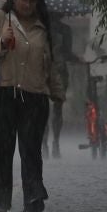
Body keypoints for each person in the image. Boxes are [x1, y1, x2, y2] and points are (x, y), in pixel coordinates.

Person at [0, 0, 65, 212]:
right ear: (14, 0)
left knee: (31, 148)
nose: (28, 4)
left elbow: (50, 64)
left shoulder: (42, 27)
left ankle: (33, 197)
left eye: (33, 0)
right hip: (3, 93)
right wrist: (1, 43)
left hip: (35, 96)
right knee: (3, 148)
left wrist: (57, 91)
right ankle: (1, 199)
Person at [42, 13, 76, 158]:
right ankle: (55, 142)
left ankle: (44, 145)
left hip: (42, 71)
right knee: (57, 109)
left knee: (42, 110)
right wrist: (77, 59)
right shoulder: (65, 29)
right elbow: (68, 53)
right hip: (59, 71)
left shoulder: (38, 29)